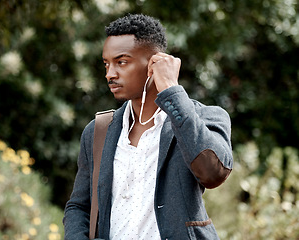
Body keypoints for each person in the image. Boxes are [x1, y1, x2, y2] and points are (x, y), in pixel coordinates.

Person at [63, 14, 233, 240]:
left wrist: (171, 89)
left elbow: (212, 174)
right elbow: (78, 207)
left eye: (121, 62)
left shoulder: (206, 117)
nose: (110, 74)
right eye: (106, 63)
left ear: (155, 63)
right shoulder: (98, 131)